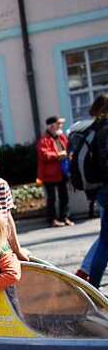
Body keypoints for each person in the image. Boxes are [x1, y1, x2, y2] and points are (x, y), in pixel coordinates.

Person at [76, 95, 108, 286]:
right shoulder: (105, 130)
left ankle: (92, 283)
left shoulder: (94, 129)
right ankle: (92, 284)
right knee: (104, 242)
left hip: (102, 191)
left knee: (105, 240)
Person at [37, 115, 73, 227]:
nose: (60, 126)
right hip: (49, 174)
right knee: (51, 198)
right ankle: (52, 219)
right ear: (51, 126)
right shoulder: (44, 140)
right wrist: (58, 155)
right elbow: (44, 155)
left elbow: (68, 148)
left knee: (64, 196)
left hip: (61, 172)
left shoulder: (61, 137)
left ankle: (64, 217)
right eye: (58, 124)